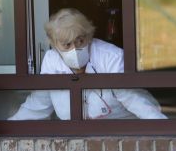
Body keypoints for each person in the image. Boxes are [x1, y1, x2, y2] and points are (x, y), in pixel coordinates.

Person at [9, 9, 166, 120]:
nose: (74, 49)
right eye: (66, 44)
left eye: (80, 41)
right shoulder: (51, 61)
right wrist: (9, 129)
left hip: (123, 133)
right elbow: (38, 104)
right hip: (78, 137)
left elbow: (135, 100)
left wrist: (164, 128)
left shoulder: (111, 57)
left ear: (89, 36)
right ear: (54, 45)